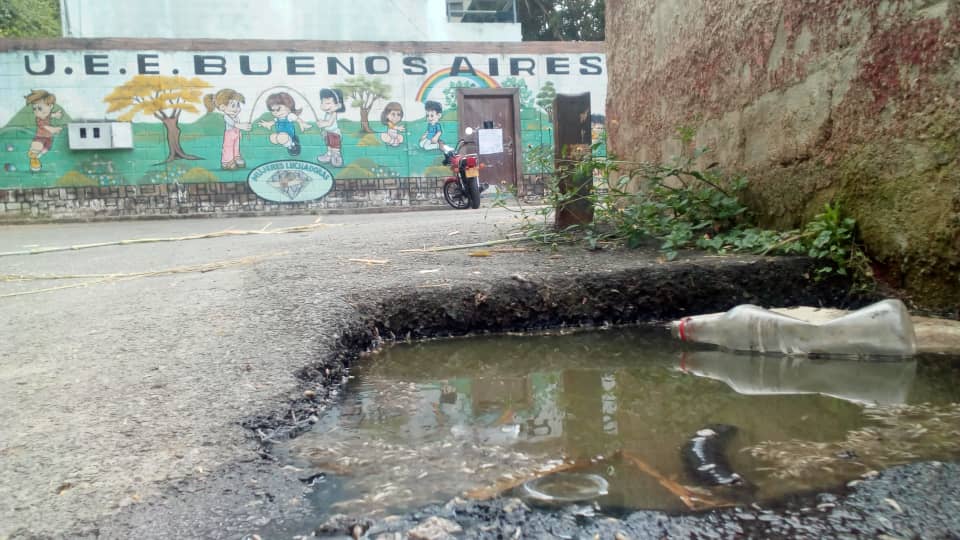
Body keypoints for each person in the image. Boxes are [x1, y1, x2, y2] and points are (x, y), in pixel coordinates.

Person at [203, 88, 251, 169]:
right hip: (229, 135)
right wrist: (242, 126)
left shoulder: (236, 117)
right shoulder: (226, 117)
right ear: (222, 107)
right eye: (233, 105)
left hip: (236, 134)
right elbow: (233, 124)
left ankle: (236, 157)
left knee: (236, 146)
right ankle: (227, 161)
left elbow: (237, 126)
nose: (236, 108)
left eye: (238, 105)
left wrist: (239, 133)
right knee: (228, 147)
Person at [257, 92, 309, 156]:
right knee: (273, 137)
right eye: (273, 110)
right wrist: (268, 124)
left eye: (278, 109)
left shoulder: (289, 116)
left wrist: (302, 124)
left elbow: (298, 119)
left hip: (289, 135)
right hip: (281, 135)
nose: (276, 113)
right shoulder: (278, 118)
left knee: (282, 137)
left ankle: (292, 145)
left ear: (288, 106)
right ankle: (286, 144)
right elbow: (273, 122)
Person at [24, 89, 63, 172]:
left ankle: (36, 156)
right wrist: (53, 129)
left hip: (48, 139)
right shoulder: (39, 119)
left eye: (39, 108)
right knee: (37, 147)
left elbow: (49, 115)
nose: (37, 111)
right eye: (34, 109)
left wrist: (55, 115)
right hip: (40, 137)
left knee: (44, 150)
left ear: (51, 106)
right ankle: (33, 159)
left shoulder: (46, 115)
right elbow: (45, 126)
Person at [315, 88, 346, 167]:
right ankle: (329, 155)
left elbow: (329, 123)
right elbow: (326, 122)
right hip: (328, 133)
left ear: (337, 105)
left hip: (334, 134)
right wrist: (322, 123)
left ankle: (336, 158)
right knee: (329, 146)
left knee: (334, 148)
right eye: (322, 102)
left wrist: (322, 124)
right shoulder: (327, 113)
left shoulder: (333, 113)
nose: (324, 106)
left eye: (328, 103)